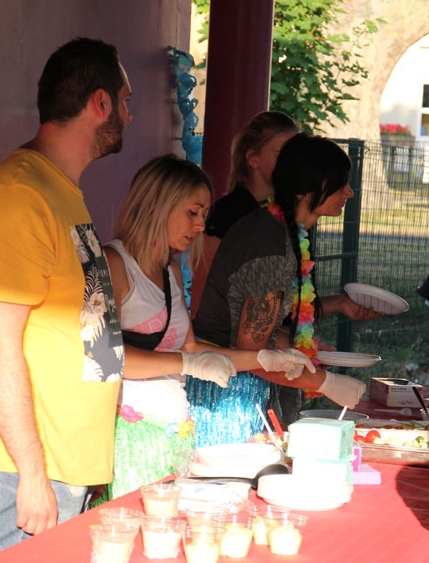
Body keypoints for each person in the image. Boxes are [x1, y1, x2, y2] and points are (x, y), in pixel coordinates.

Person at [0, 38, 132, 559]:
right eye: (126, 101)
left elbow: (87, 332)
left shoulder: (57, 190)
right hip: (22, 470)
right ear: (100, 103)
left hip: (62, 463)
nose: (130, 115)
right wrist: (31, 471)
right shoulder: (19, 197)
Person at [101, 155, 311, 497]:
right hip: (129, 439)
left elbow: (192, 348)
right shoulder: (115, 263)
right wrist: (188, 363)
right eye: (192, 212)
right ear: (158, 205)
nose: (200, 225)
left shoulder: (168, 269)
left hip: (174, 435)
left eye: (204, 215)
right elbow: (108, 359)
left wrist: (265, 358)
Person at [189, 133, 379, 447]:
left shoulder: (277, 230)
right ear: (305, 190)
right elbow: (254, 352)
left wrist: (303, 348)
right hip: (227, 400)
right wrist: (326, 382)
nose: (349, 192)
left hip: (233, 386)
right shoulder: (269, 246)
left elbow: (256, 329)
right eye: (339, 183)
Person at [190, 111, 301, 315]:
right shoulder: (227, 214)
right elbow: (202, 292)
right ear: (253, 159)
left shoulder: (292, 212)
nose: (293, 163)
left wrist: (340, 303)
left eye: (297, 155)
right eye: (282, 155)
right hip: (231, 332)